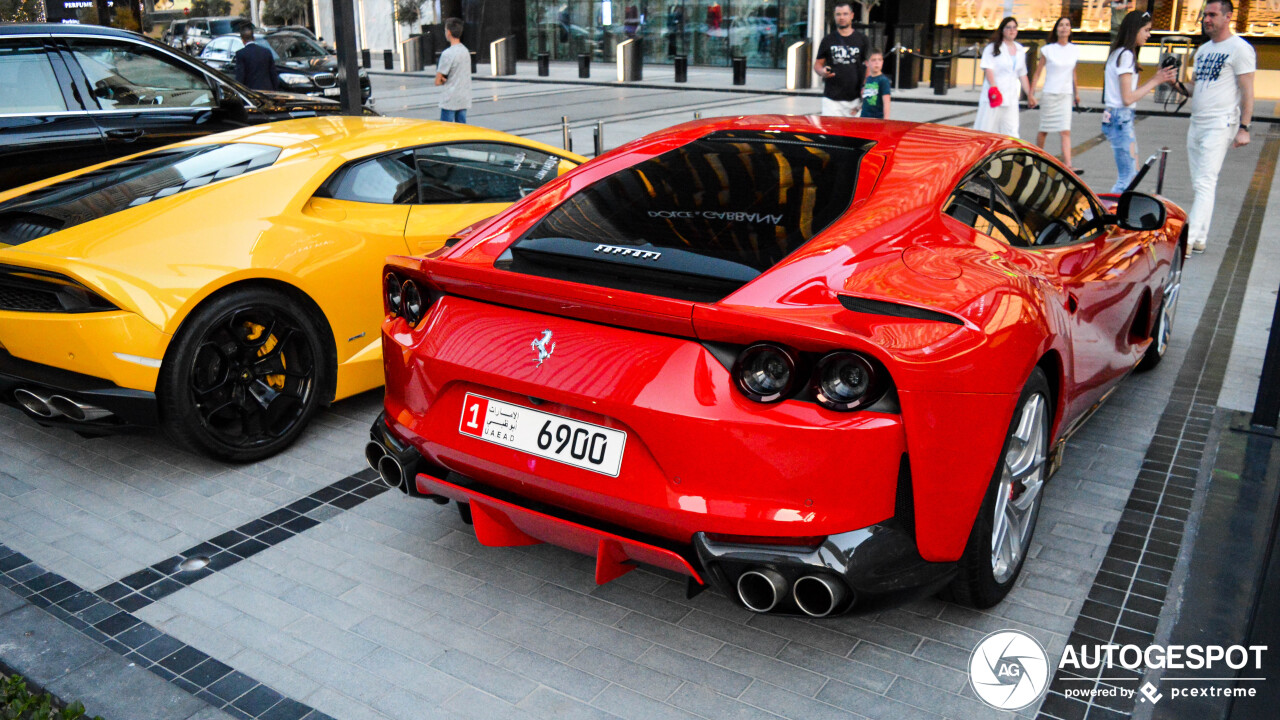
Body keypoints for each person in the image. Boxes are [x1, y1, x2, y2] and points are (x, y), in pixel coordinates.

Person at [1177, 0, 1255, 255]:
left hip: (1221, 123)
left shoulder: (1240, 49)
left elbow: (1247, 91)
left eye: (1212, 15)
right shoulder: (1202, 51)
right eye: (1204, 15)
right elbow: (1192, 88)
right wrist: (1170, 82)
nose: (1206, 19)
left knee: (1204, 182)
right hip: (1197, 122)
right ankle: (1200, 237)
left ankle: (1187, 241)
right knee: (1201, 183)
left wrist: (1244, 127)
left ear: (1228, 16)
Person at [1102, 11, 1176, 193]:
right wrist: (1156, 81)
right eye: (1146, 30)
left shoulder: (1119, 53)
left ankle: (1111, 213)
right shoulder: (1126, 55)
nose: (1148, 35)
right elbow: (1128, 98)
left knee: (1130, 174)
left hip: (1116, 117)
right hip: (1120, 118)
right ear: (1134, 30)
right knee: (1127, 177)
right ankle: (1107, 214)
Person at [1032, 17, 1082, 172]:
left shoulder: (1074, 50)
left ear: (1070, 30)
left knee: (1065, 130)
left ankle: (1068, 164)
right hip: (1050, 93)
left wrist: (1076, 93)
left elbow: (1073, 73)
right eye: (1061, 25)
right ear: (1056, 29)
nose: (1064, 28)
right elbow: (1038, 72)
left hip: (1065, 94)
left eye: (1067, 25)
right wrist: (1031, 93)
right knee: (1044, 129)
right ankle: (1037, 159)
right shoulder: (1048, 50)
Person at [974, 17, 1037, 137]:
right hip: (994, 96)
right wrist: (994, 88)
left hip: (1011, 97)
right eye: (1008, 27)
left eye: (1014, 27)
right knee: (987, 129)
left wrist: (1029, 94)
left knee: (1011, 131)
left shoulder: (1019, 49)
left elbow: (1022, 74)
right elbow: (988, 69)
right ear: (1002, 30)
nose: (1012, 30)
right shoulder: (992, 48)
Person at [814, 2, 870, 117]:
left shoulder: (862, 40)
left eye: (845, 14)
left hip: (855, 99)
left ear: (852, 15)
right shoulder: (828, 40)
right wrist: (822, 72)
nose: (842, 17)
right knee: (831, 134)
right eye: (838, 14)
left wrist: (865, 86)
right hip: (831, 100)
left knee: (852, 134)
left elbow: (869, 66)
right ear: (834, 16)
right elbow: (817, 65)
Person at [435, 17, 472, 124]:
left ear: (449, 32)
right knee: (462, 132)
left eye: (445, 30)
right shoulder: (465, 51)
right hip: (464, 98)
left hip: (450, 100)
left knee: (446, 132)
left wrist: (443, 79)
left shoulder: (447, 54)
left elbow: (438, 81)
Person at [233, 26, 277, 92]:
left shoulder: (240, 54)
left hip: (251, 91)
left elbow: (240, 75)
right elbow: (273, 73)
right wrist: (275, 90)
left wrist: (237, 91)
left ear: (242, 40)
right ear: (254, 38)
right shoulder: (266, 51)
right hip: (267, 89)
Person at [860, 51, 891, 119]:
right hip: (864, 117)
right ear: (867, 63)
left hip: (877, 118)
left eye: (879, 60)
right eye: (873, 60)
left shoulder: (883, 81)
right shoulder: (867, 79)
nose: (877, 62)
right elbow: (865, 99)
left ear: (882, 62)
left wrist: (886, 119)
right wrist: (857, 108)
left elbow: (886, 103)